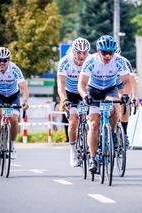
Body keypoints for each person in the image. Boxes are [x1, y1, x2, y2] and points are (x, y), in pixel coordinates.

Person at [78, 35, 130, 172]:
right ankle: (93, 159)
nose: (107, 56)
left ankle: (112, 133)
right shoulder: (91, 61)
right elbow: (82, 84)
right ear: (98, 51)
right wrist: (85, 96)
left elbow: (126, 81)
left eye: (110, 53)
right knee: (94, 123)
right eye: (104, 53)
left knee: (114, 105)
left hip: (110, 89)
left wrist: (125, 95)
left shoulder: (119, 61)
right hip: (93, 90)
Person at [0, 47, 29, 159]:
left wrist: (25, 101)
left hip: (13, 95)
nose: (2, 63)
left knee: (14, 119)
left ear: (8, 60)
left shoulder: (15, 69)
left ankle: (12, 146)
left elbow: (24, 88)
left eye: (5, 60)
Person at [57, 37, 90, 167]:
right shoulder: (65, 62)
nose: (81, 56)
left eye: (84, 53)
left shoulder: (90, 60)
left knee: (93, 117)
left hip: (85, 92)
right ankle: (73, 151)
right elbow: (61, 84)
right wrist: (64, 100)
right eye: (79, 53)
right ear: (73, 52)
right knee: (73, 119)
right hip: (70, 93)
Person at [115, 45, 138, 140]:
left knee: (125, 104)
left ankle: (124, 132)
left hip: (121, 85)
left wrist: (134, 96)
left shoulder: (124, 62)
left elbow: (131, 78)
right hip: (107, 86)